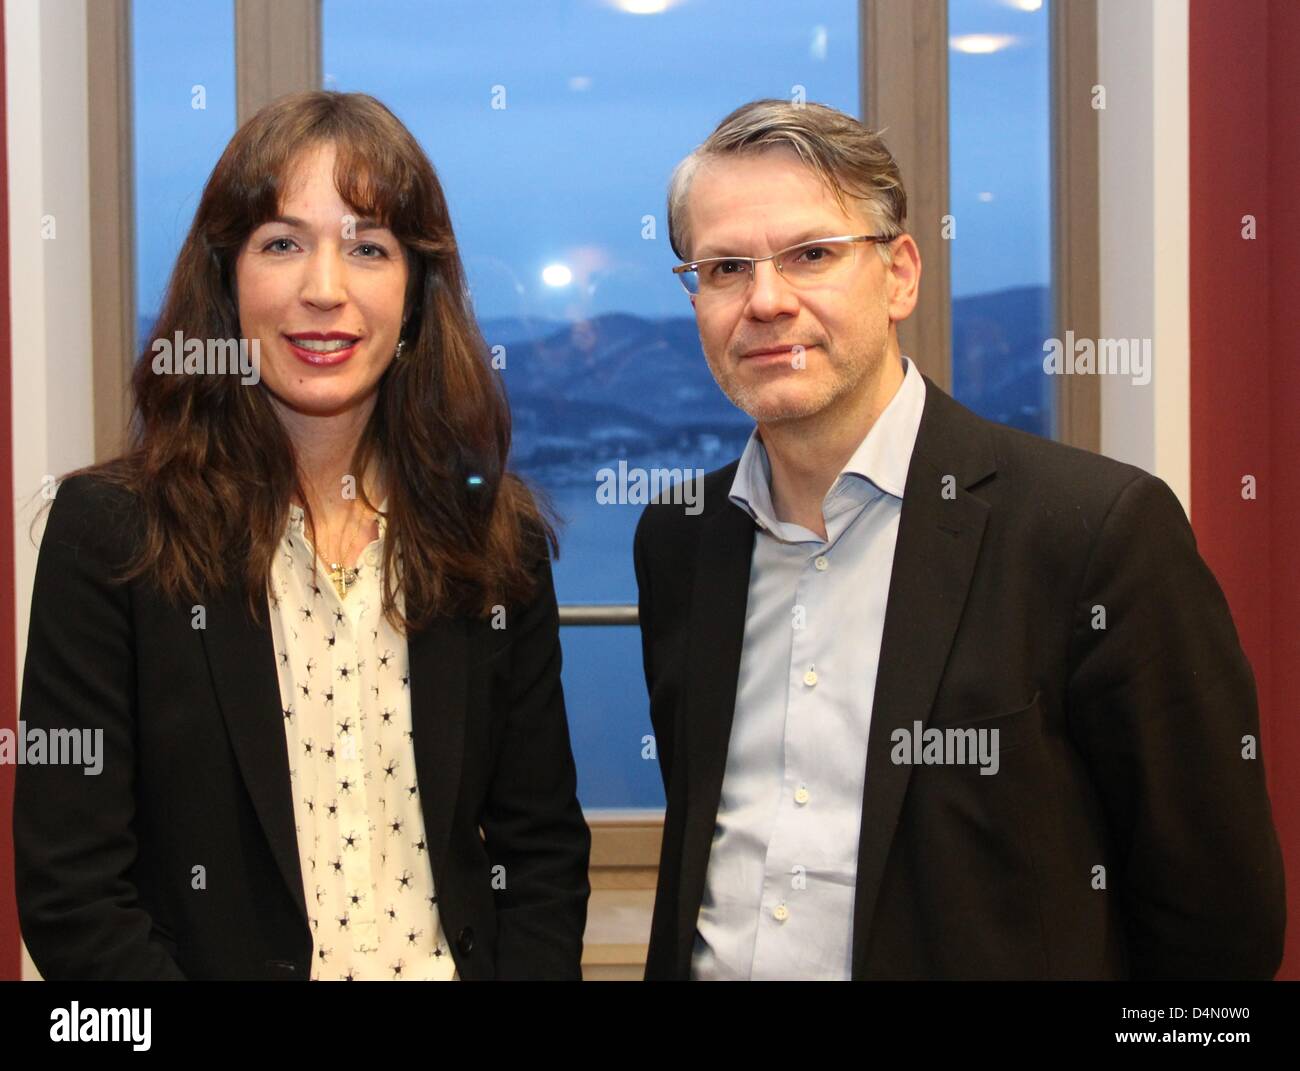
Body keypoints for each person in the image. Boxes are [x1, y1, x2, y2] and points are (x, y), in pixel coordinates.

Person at [634, 98, 1285, 980]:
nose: (766, 300)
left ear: (900, 273)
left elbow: (1218, 924)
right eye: (724, 268)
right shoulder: (679, 541)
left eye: (812, 254)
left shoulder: (1093, 535)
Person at [14, 91, 590, 980]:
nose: (325, 289)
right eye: (281, 244)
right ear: (226, 277)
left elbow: (541, 852)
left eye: (368, 247)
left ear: (416, 290)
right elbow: (74, 894)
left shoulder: (492, 541)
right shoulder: (112, 535)